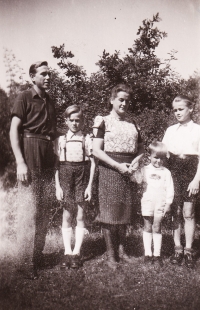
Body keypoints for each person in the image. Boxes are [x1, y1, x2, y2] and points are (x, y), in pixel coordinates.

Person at [10, 61, 56, 279]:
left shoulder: (50, 101)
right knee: (29, 207)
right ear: (32, 76)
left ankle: (37, 256)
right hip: (30, 149)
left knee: (45, 206)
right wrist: (20, 161)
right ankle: (25, 260)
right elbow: (13, 131)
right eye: (44, 74)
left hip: (48, 153)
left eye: (49, 74)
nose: (48, 77)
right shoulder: (24, 97)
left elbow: (53, 133)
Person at [92, 84, 144, 269]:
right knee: (109, 215)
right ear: (112, 100)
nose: (124, 103)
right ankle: (111, 255)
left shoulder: (133, 124)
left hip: (128, 171)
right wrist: (117, 166)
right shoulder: (102, 121)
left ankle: (123, 252)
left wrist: (136, 162)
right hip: (110, 170)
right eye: (120, 99)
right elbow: (96, 151)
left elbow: (140, 149)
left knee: (124, 214)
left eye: (127, 101)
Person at [55, 105, 96, 269]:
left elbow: (93, 163)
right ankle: (67, 251)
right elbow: (56, 166)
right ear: (66, 121)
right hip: (65, 175)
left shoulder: (86, 139)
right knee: (66, 214)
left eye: (78, 120)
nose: (74, 123)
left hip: (82, 176)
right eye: (71, 120)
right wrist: (58, 187)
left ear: (83, 122)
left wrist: (89, 186)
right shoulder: (61, 139)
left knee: (80, 214)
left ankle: (77, 252)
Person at [162, 95, 200, 269]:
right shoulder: (171, 130)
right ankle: (177, 248)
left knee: (189, 212)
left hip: (191, 171)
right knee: (175, 212)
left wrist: (196, 180)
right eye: (175, 110)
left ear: (190, 109)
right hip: (173, 171)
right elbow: (163, 153)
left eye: (181, 109)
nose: (177, 112)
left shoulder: (198, 130)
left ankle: (189, 250)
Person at [141, 141, 174, 268]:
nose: (159, 161)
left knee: (157, 227)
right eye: (156, 157)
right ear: (149, 156)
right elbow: (137, 181)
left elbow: (170, 189)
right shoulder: (144, 170)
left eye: (161, 158)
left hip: (160, 202)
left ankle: (157, 255)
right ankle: (148, 254)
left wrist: (168, 203)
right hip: (147, 201)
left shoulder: (166, 172)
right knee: (147, 226)